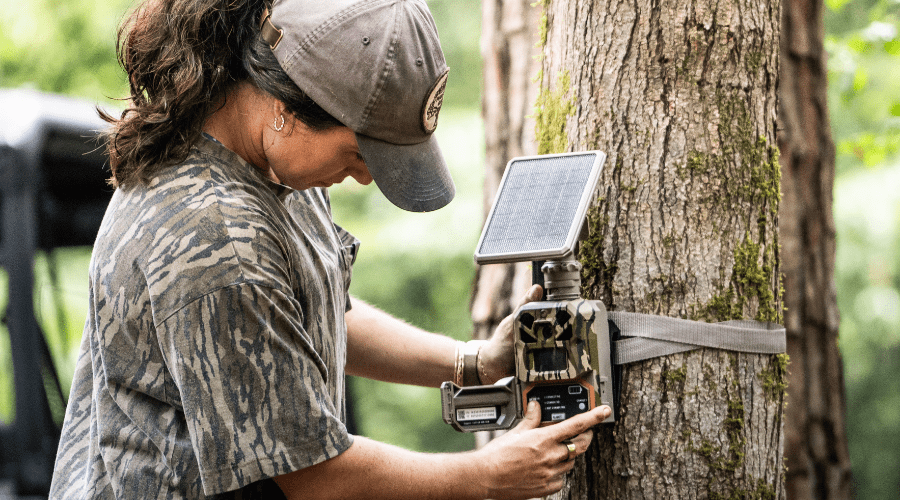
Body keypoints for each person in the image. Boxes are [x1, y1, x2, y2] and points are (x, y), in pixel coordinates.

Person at [48, 0, 611, 498]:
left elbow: (303, 320)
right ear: (286, 107)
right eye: (359, 155)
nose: (365, 179)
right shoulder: (217, 236)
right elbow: (316, 478)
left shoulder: (272, 165)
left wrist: (473, 362)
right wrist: (485, 475)